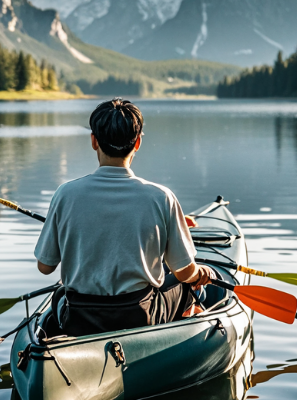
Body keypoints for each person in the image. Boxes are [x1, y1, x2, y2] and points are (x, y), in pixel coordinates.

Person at [34, 97, 216, 337]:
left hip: (80, 319)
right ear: (138, 142)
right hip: (140, 317)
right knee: (186, 285)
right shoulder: (161, 197)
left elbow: (45, 267)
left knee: (59, 295)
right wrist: (200, 273)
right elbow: (183, 271)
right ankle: (188, 330)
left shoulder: (65, 194)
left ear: (94, 141)